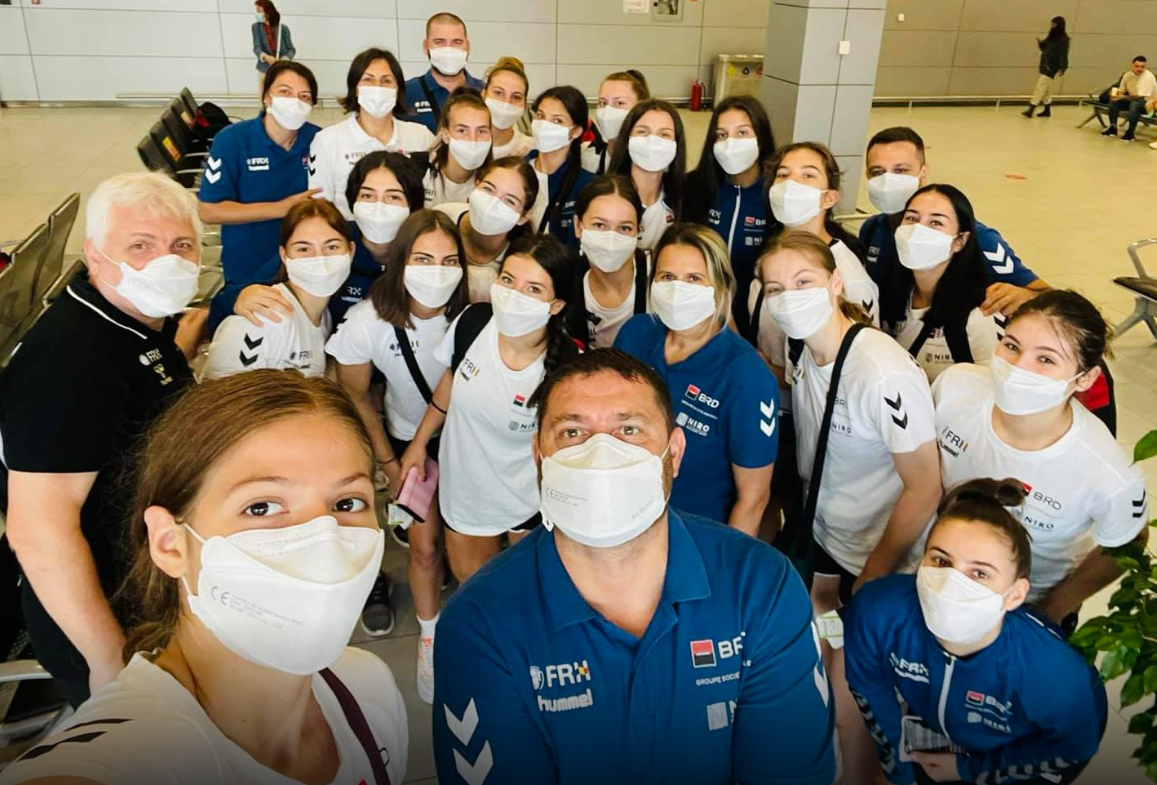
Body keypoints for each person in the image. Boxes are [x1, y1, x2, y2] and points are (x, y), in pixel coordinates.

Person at [431, 348, 837, 785]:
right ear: (538, 456)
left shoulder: (762, 588)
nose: (600, 455)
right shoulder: (480, 626)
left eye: (629, 430)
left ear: (674, 454)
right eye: (572, 432)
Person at [0, 370, 409, 784]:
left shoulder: (368, 690)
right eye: (262, 507)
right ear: (170, 544)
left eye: (347, 502)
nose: (323, 543)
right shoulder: (117, 761)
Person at [0, 173, 204, 706]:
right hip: (113, 621)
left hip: (155, 585)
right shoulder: (66, 363)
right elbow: (38, 530)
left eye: (182, 245)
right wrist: (110, 659)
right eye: (141, 246)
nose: (166, 261)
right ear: (95, 254)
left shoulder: (137, 321)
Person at [843, 478, 1108, 785]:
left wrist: (969, 770)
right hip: (940, 733)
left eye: (979, 573)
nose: (951, 583)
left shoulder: (1053, 673)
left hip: (1023, 755)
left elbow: (1073, 747)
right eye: (941, 560)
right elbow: (872, 694)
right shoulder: (876, 612)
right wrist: (899, 775)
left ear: (1014, 595)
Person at [932, 290, 1148, 629]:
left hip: (1023, 608)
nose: (1018, 368)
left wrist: (1052, 609)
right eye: (1012, 346)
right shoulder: (955, 388)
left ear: (1085, 378)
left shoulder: (1106, 473)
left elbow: (1130, 541)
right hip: (936, 578)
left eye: (1045, 359)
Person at [328, 210, 468, 704]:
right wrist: (389, 463)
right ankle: (429, 639)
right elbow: (355, 395)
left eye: (449, 260)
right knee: (424, 549)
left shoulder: (474, 312)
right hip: (409, 444)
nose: (437, 272)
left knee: (468, 548)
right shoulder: (368, 321)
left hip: (469, 443)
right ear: (401, 261)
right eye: (423, 259)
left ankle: (475, 632)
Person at [759, 231, 940, 613]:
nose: (789, 298)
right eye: (775, 289)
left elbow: (924, 488)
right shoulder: (801, 347)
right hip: (825, 535)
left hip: (878, 557)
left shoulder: (880, 372)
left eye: (803, 282)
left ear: (836, 282)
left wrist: (875, 572)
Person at [399, 234, 580, 583]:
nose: (514, 295)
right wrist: (419, 442)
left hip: (528, 501)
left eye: (533, 289)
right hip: (466, 494)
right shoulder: (473, 322)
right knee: (474, 587)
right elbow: (450, 382)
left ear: (556, 305)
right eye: (508, 280)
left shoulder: (567, 368)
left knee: (525, 590)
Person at [614, 224, 777, 536]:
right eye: (667, 277)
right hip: (623, 515)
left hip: (696, 534)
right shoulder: (635, 334)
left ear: (720, 287)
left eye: (694, 278)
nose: (678, 289)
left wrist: (726, 559)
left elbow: (754, 499)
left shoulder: (746, 375)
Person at [860, 127, 1048, 317]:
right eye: (878, 172)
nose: (888, 181)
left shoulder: (977, 238)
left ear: (923, 173)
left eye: (900, 170)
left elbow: (1048, 296)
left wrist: (1025, 295)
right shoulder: (872, 230)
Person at [233, 150, 427, 328]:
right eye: (367, 195)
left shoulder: (428, 251)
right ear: (353, 201)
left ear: (413, 205)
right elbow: (241, 291)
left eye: (393, 197)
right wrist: (242, 296)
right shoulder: (330, 240)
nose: (378, 207)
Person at [199, 60, 321, 333]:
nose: (295, 102)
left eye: (304, 96)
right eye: (285, 92)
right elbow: (209, 210)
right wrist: (281, 208)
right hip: (249, 264)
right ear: (266, 96)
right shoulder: (232, 141)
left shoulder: (318, 140)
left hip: (304, 264)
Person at [750, 141, 879, 369]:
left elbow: (856, 363)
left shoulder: (848, 277)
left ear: (829, 198)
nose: (791, 183)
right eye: (783, 175)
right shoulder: (771, 256)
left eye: (808, 175)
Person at [203, 199, 353, 379]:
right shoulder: (264, 319)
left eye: (332, 247)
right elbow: (225, 395)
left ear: (351, 251)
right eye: (304, 249)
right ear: (284, 255)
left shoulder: (324, 318)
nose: (319, 258)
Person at [881, 185, 1003, 383]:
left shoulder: (979, 316)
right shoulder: (892, 293)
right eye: (911, 218)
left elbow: (993, 389)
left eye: (936, 222)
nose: (918, 230)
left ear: (960, 241)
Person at [683, 95, 776, 335]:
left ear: (761, 137)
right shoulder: (695, 187)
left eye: (742, 133)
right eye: (722, 135)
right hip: (701, 317)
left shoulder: (775, 195)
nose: (730, 143)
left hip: (758, 322)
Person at [310, 47, 435, 220]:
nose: (377, 87)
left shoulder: (421, 136)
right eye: (368, 80)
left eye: (386, 81)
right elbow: (320, 208)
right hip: (349, 233)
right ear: (355, 88)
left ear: (398, 89)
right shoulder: (327, 141)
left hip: (409, 233)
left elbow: (432, 197)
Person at [434, 156, 540, 302]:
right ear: (475, 185)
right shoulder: (440, 218)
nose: (492, 204)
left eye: (509, 201)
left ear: (524, 217)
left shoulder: (525, 260)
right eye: (488, 189)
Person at [573, 175, 650, 348]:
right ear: (578, 226)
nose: (611, 239)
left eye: (624, 228)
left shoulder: (659, 279)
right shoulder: (563, 282)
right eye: (600, 225)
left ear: (638, 231)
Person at [606, 98, 685, 252]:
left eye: (664, 134)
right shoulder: (605, 196)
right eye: (643, 132)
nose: (652, 141)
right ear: (627, 140)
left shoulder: (682, 198)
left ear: (676, 145)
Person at [528, 85, 595, 248]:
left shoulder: (588, 185)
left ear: (575, 131)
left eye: (557, 120)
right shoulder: (517, 172)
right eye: (540, 116)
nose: (544, 125)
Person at [403, 12, 485, 133]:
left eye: (457, 42)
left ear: (467, 47)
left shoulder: (485, 92)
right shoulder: (405, 93)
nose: (448, 50)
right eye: (439, 42)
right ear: (426, 46)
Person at [424, 88, 492, 207]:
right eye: (462, 130)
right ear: (445, 135)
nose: (473, 140)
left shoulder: (494, 182)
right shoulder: (420, 172)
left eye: (481, 131)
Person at [583, 69, 650, 175]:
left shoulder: (653, 159)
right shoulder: (589, 155)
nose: (607, 111)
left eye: (619, 103)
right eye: (602, 103)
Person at [484, 56, 534, 159]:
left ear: (525, 105)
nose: (506, 103)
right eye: (498, 93)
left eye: (516, 97)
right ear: (483, 95)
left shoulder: (532, 150)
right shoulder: (463, 144)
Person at [1022, 16, 1069, 118]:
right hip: (1045, 63)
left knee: (1040, 85)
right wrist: (1040, 43)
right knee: (1045, 88)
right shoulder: (1051, 36)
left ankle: (1031, 108)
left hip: (1053, 66)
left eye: (1054, 24)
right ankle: (1047, 110)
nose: (1052, 26)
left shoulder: (1063, 39)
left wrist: (1063, 67)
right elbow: (1044, 48)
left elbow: (1064, 54)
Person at [1103, 55, 1157, 141]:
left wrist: (1122, 97)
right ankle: (1113, 127)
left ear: (1145, 67)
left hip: (1149, 105)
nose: (1139, 69)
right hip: (1133, 100)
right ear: (1132, 65)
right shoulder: (1127, 75)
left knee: (1135, 105)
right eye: (1137, 66)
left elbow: (1140, 97)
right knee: (1114, 101)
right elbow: (1121, 91)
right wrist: (1116, 95)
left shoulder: (1148, 77)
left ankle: (1130, 133)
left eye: (1142, 67)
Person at [252, 0, 295, 91]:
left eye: (259, 11)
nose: (257, 14)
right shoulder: (256, 27)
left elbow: (291, 50)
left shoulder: (283, 28)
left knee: (280, 93)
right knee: (264, 95)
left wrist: (283, 60)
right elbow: (256, 47)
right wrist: (266, 57)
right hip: (264, 69)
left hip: (281, 70)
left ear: (268, 13)